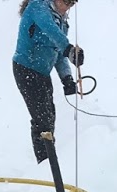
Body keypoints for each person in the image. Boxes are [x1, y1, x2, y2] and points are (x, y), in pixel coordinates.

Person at [13, 0, 83, 164]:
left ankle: (48, 161)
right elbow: (49, 30)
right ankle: (46, 163)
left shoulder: (62, 22)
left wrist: (67, 78)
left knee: (49, 117)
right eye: (65, 2)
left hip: (42, 73)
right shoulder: (38, 6)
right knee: (42, 120)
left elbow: (58, 53)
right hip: (26, 69)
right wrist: (69, 49)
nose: (67, 7)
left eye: (71, 4)